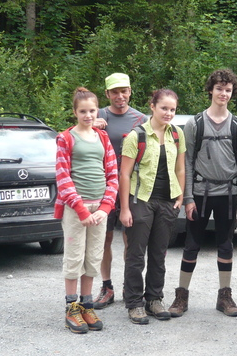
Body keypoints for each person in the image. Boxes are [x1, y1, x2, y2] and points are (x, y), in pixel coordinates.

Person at [167, 69, 237, 318]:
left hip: (227, 193)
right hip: (201, 193)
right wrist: (189, 198)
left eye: (227, 90)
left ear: (232, 93)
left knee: (226, 245)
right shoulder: (195, 123)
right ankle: (181, 295)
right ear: (210, 90)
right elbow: (187, 162)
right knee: (191, 245)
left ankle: (224, 296)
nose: (223, 94)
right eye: (219, 88)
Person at [54, 87, 118, 334]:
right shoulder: (66, 138)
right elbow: (62, 177)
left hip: (99, 209)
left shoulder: (103, 138)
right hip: (75, 208)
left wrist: (105, 207)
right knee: (74, 258)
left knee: (93, 257)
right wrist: (81, 210)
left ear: (97, 111)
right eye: (83, 111)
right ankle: (72, 308)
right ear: (75, 112)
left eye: (92, 110)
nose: (88, 115)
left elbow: (112, 174)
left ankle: (86, 304)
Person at [119, 89, 186, 325]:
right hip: (141, 201)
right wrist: (125, 209)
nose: (168, 113)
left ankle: (154, 299)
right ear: (152, 107)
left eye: (172, 109)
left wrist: (180, 196)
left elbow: (180, 168)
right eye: (164, 108)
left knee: (159, 254)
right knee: (136, 255)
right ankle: (135, 303)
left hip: (167, 203)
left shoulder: (177, 134)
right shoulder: (136, 136)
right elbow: (124, 174)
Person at [92, 72, 147, 309]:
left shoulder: (141, 119)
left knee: (130, 239)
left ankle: (129, 285)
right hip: (103, 188)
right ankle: (106, 286)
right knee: (103, 239)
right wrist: (89, 125)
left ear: (130, 91)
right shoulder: (97, 115)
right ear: (107, 94)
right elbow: (73, 138)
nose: (120, 96)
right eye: (115, 92)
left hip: (131, 188)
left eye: (124, 91)